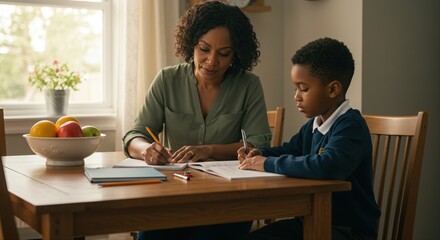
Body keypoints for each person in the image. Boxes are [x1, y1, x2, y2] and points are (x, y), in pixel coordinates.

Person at [122, 1, 271, 239]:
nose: (212, 61)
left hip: (230, 198)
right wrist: (146, 149)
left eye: (224, 54)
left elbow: (258, 144)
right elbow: (134, 135)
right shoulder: (167, 80)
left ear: (236, 54)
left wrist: (209, 150)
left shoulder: (248, 85)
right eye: (204, 49)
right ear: (191, 43)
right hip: (170, 196)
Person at [237, 37, 381, 240]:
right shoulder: (314, 125)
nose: (296, 96)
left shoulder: (350, 126)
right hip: (310, 221)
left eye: (303, 89)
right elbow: (290, 150)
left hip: (347, 231)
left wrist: (267, 163)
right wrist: (259, 153)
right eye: (295, 88)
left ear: (333, 89)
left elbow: (328, 166)